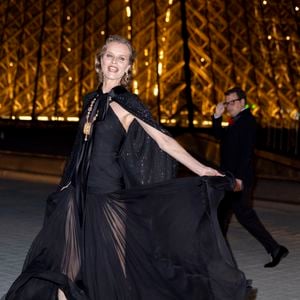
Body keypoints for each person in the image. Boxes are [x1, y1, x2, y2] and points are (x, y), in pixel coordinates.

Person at [5, 35, 247, 300]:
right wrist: (66, 185)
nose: (114, 63)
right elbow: (79, 148)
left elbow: (163, 139)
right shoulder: (91, 100)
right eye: (110, 56)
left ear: (128, 67)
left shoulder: (127, 103)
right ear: (100, 60)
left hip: (107, 197)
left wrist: (201, 169)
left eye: (122, 58)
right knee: (66, 265)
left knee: (113, 270)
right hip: (75, 195)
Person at [212, 86, 289, 268]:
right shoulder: (235, 120)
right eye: (227, 102)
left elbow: (246, 153)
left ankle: (274, 249)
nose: (228, 106)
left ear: (242, 102)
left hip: (238, 179)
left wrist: (238, 179)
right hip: (230, 177)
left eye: (231, 102)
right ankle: (220, 256)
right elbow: (219, 136)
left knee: (238, 215)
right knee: (226, 215)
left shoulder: (247, 122)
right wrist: (216, 117)